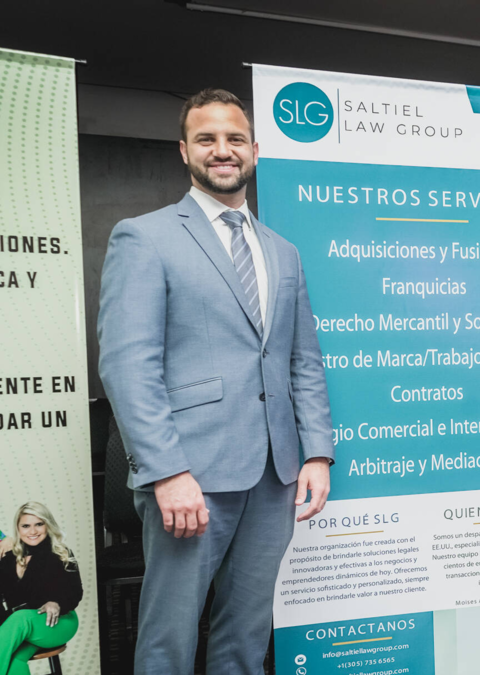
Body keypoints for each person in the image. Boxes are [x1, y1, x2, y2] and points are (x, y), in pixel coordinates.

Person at [98, 88, 335, 675]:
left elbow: (303, 360)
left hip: (275, 475)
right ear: (185, 151)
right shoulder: (144, 236)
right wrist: (166, 471)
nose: (222, 150)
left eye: (234, 139)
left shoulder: (284, 252)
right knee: (169, 640)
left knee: (247, 636)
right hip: (190, 476)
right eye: (206, 139)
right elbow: (127, 365)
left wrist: (316, 453)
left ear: (254, 150)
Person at [0, 502, 84, 675]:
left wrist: (56, 602)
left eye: (39, 524)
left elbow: (75, 592)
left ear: (48, 525)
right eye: (26, 526)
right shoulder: (8, 559)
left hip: (58, 621)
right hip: (22, 626)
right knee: (14, 660)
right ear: (18, 528)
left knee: (21, 618)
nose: (33, 531)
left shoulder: (60, 553)